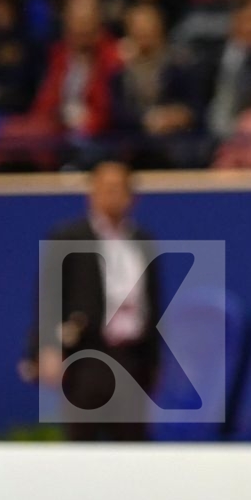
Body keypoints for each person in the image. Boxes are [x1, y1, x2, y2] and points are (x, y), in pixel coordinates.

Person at [19, 160, 161, 441]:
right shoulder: (68, 237)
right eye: (105, 188)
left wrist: (154, 359)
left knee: (132, 450)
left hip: (132, 360)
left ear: (132, 196)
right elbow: (48, 296)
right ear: (91, 193)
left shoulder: (143, 240)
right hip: (87, 357)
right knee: (82, 447)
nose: (112, 195)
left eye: (119, 189)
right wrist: (46, 347)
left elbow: (154, 302)